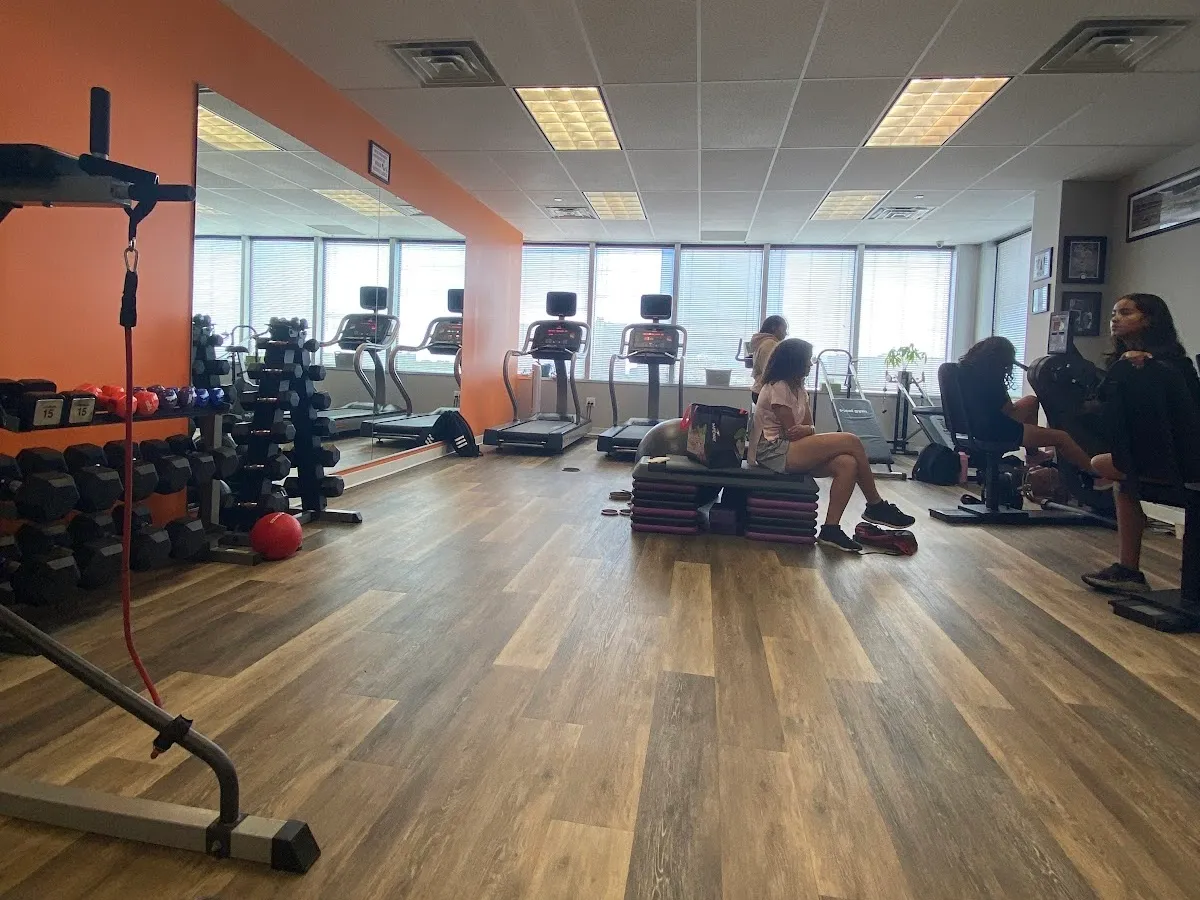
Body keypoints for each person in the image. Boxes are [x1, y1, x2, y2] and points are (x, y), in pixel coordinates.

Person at [1083, 293, 1200, 593]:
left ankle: (1129, 568)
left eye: (1126, 313)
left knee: (1108, 466)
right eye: (1114, 313)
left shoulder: (1172, 366)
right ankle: (1128, 569)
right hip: (1160, 459)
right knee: (1123, 477)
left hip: (1182, 460)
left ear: (1149, 319)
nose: (1115, 319)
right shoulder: (1127, 364)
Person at [752, 338, 915, 552]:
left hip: (792, 448)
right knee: (851, 440)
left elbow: (808, 427)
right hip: (773, 451)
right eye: (808, 359)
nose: (811, 364)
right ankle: (875, 504)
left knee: (847, 463)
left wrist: (808, 430)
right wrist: (808, 431)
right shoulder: (778, 386)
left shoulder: (799, 388)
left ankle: (831, 529)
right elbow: (793, 433)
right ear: (794, 361)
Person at [956, 336, 1097, 473]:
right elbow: (1007, 409)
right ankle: (1098, 474)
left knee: (1030, 401)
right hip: (993, 430)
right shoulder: (992, 377)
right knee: (1062, 437)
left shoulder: (963, 372)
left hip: (972, 428)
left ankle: (1033, 455)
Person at [749, 315, 788, 404]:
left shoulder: (763, 342)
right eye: (784, 329)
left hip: (761, 389)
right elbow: (771, 371)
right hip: (765, 391)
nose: (786, 333)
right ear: (774, 327)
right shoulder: (769, 344)